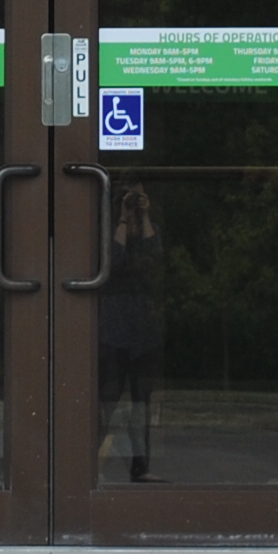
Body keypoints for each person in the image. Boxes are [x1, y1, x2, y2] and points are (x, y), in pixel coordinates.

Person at [94, 182, 165, 482]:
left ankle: (141, 465)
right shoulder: (108, 232)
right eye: (129, 199)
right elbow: (112, 261)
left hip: (142, 323)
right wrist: (123, 220)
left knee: (141, 401)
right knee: (108, 396)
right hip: (114, 321)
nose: (134, 204)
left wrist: (145, 217)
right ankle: (86, 460)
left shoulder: (150, 229)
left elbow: (154, 260)